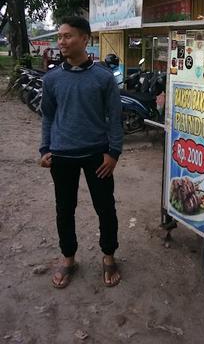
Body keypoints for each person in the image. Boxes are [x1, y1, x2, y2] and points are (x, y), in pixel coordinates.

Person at [39, 16, 124, 288]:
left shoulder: (103, 77)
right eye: (60, 36)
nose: (61, 41)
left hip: (97, 156)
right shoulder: (52, 79)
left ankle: (109, 256)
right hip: (61, 155)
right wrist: (45, 148)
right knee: (64, 209)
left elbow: (115, 116)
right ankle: (68, 259)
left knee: (105, 208)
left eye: (68, 36)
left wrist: (114, 153)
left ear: (85, 39)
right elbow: (48, 117)